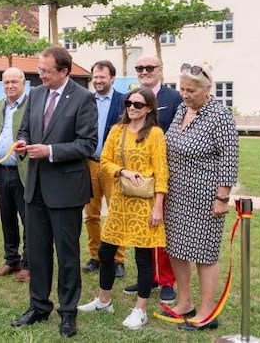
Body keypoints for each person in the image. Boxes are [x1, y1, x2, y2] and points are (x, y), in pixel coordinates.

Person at [11, 46, 98, 338]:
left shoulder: (84, 98)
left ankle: (68, 313)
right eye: (39, 69)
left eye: (46, 71)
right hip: (34, 188)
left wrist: (49, 151)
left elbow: (87, 144)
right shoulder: (35, 94)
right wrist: (22, 143)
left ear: (64, 71)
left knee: (68, 254)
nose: (41, 75)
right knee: (37, 252)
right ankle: (38, 306)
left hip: (66, 191)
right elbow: (24, 129)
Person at [78, 87, 169, 330]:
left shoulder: (156, 135)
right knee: (106, 252)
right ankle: (104, 300)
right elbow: (104, 162)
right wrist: (122, 171)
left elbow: (161, 172)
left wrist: (158, 206)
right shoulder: (117, 131)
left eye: (138, 104)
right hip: (119, 201)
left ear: (149, 108)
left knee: (142, 256)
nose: (131, 107)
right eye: (129, 103)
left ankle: (140, 309)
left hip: (144, 203)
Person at [164, 62, 239, 331]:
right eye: (182, 89)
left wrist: (222, 198)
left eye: (191, 90)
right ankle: (185, 302)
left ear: (208, 89)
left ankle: (207, 312)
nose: (184, 94)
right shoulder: (182, 109)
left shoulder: (220, 115)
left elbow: (229, 158)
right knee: (176, 248)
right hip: (176, 193)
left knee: (204, 253)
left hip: (205, 196)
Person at [123, 53, 182, 303]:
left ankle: (167, 280)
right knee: (142, 229)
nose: (144, 71)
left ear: (160, 69)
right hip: (137, 177)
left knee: (162, 228)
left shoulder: (174, 98)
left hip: (164, 173)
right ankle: (150, 277)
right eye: (139, 68)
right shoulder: (133, 97)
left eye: (149, 67)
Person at [82, 60, 127, 278]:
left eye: (103, 77)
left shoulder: (123, 102)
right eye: (96, 77)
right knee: (91, 214)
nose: (98, 81)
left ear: (112, 78)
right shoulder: (85, 100)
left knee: (116, 213)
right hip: (89, 163)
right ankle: (96, 256)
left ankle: (118, 259)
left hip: (113, 167)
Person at [0, 67, 30, 283]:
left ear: (24, 83)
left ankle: (29, 263)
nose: (10, 86)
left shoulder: (31, 106)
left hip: (24, 171)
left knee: (28, 219)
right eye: (6, 82)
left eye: (15, 81)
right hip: (2, 172)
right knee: (7, 218)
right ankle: (11, 259)